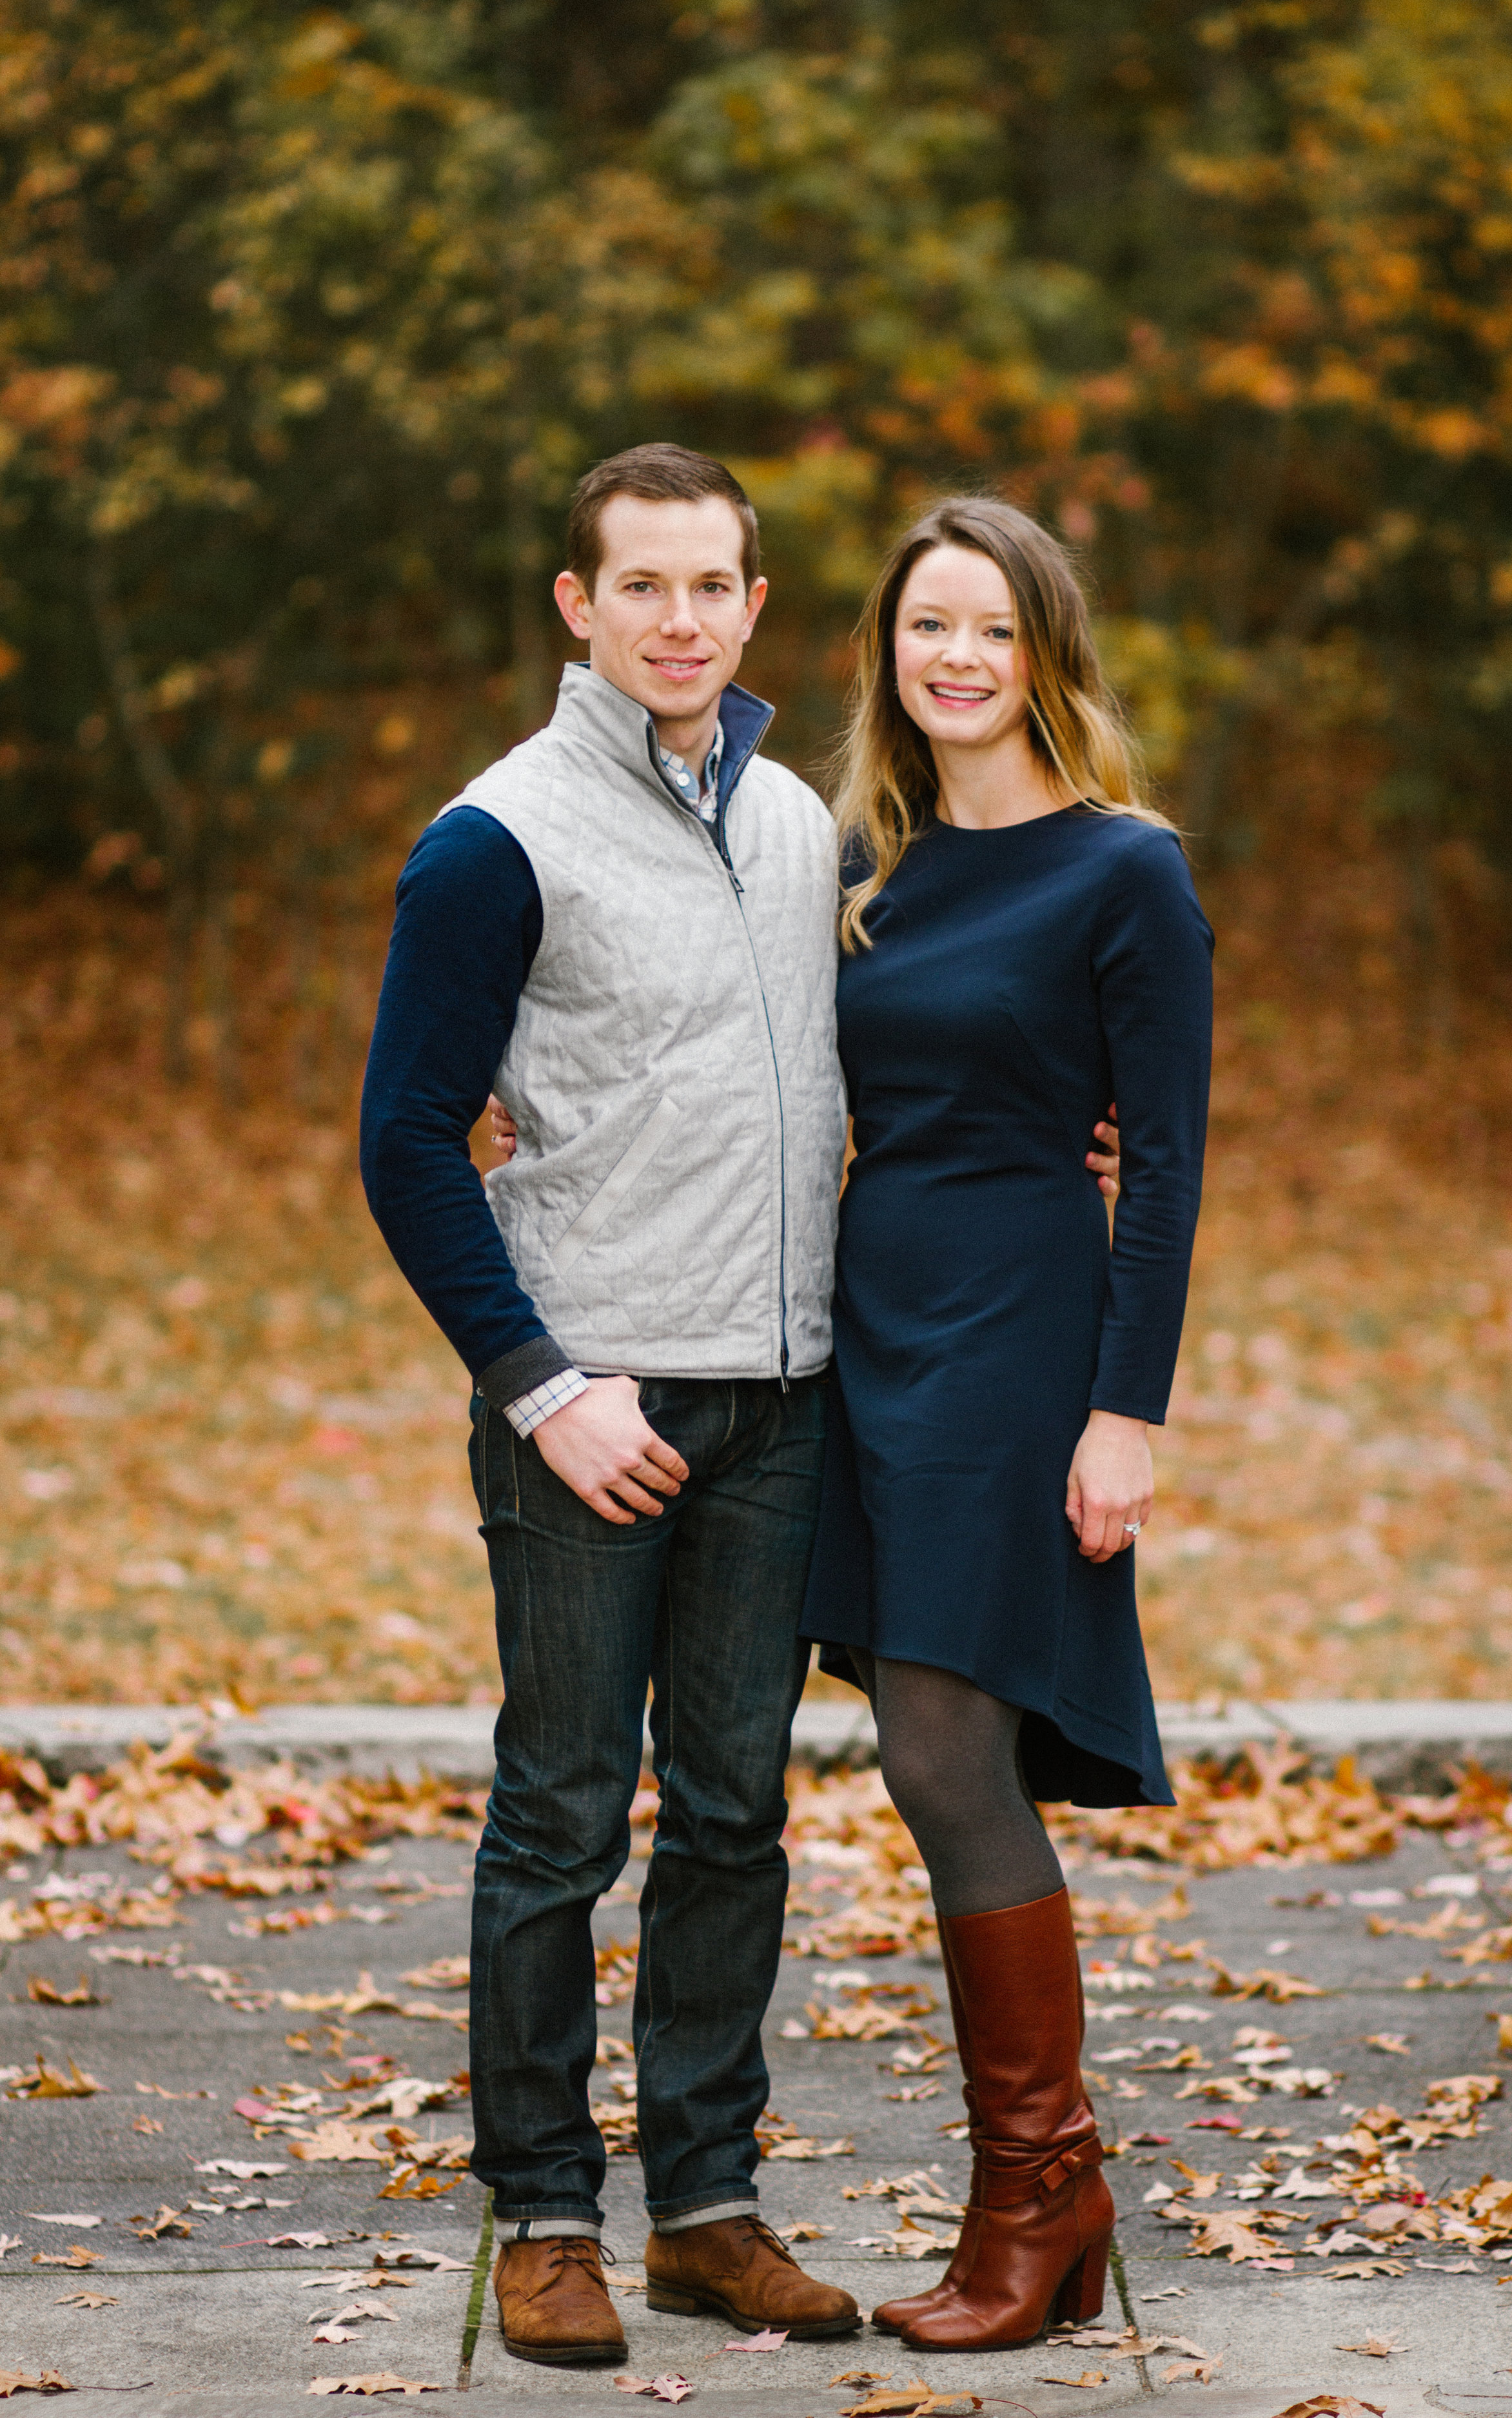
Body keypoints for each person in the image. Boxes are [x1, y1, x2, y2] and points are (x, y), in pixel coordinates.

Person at [358, 444, 861, 2366]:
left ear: (752, 604)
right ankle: (548, 2216)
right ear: (576, 604)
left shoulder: (802, 823)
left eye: (710, 585)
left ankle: (709, 2210)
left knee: (735, 1815)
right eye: (637, 585)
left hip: (779, 1400)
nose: (676, 618)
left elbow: (835, 1079)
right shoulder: (494, 836)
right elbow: (407, 1140)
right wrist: (542, 1386)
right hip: (590, 1412)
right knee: (563, 1821)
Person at [799, 496, 1214, 2352]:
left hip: (1018, 1340)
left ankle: (1039, 2199)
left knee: (948, 1753)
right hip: (859, 1324)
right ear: (888, 656)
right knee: (914, 1738)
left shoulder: (1125, 871)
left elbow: (1169, 1162)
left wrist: (1124, 1410)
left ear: (1045, 652)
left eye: (988, 629)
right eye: (921, 629)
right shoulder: (856, 866)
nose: (952, 658)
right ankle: (1038, 2205)